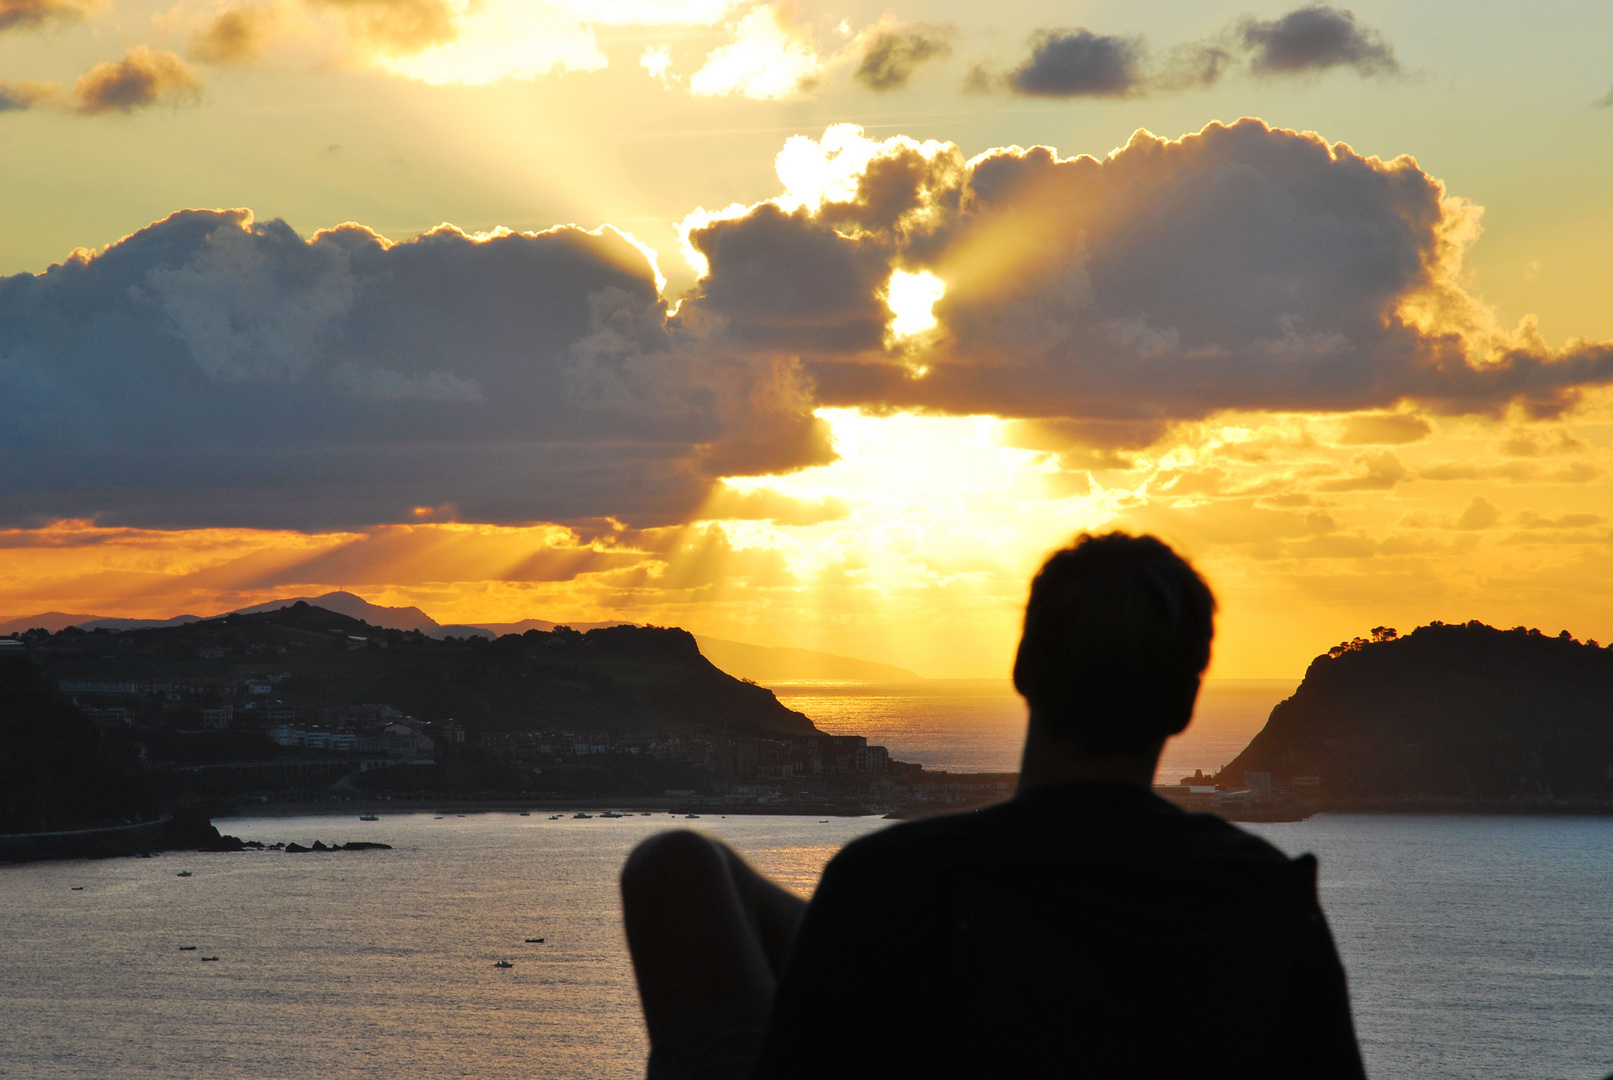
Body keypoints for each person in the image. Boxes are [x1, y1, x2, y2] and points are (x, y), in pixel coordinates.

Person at [620, 532, 1366, 1080]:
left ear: (1021, 671)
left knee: (675, 867)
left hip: (921, 933)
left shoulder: (891, 879)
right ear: (1183, 704)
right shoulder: (1266, 899)